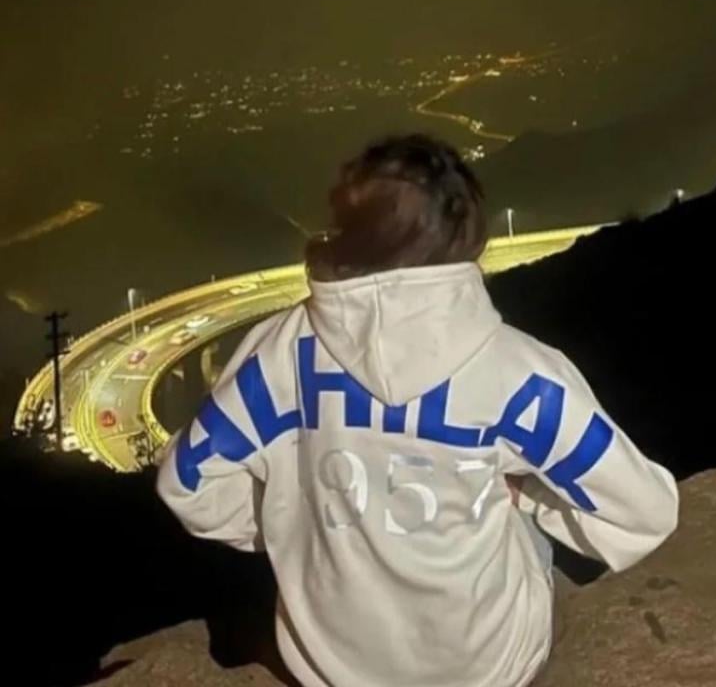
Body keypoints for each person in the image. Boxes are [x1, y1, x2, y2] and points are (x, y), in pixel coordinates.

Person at [157, 132, 679, 687]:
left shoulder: (275, 355)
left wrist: (293, 520)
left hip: (328, 669)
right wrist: (528, 498)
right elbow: (644, 512)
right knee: (525, 540)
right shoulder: (517, 372)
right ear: (467, 233)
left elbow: (187, 485)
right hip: (488, 670)